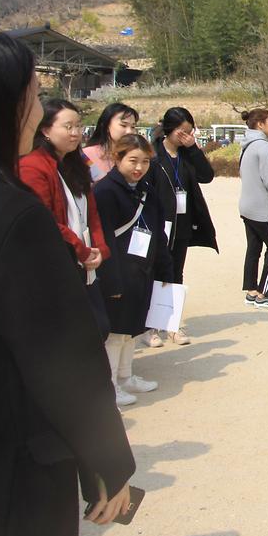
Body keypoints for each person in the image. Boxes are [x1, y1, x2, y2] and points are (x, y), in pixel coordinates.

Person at [0, 9, 134, 536]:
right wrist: (106, 461)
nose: (38, 113)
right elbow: (62, 357)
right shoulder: (8, 215)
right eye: (33, 97)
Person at [18, 99, 112, 338]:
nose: (75, 133)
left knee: (97, 328)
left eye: (78, 126)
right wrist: (81, 249)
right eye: (68, 127)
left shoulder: (76, 163)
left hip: (84, 261)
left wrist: (100, 248)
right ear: (46, 130)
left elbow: (91, 213)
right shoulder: (32, 166)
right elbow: (44, 219)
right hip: (59, 262)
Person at [94, 134, 172, 406]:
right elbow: (103, 237)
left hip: (142, 268)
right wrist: (111, 279)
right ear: (117, 159)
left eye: (145, 162)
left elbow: (158, 231)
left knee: (132, 329)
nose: (139, 167)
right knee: (116, 332)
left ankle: (126, 376)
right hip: (118, 270)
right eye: (133, 161)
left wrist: (165, 268)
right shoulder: (105, 191)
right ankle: (110, 384)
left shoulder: (146, 190)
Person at [149, 106, 218, 346]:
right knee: (155, 273)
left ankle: (172, 324)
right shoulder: (153, 155)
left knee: (176, 273)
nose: (187, 136)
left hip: (182, 224)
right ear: (169, 129)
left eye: (190, 131)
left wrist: (193, 149)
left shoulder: (188, 154)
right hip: (160, 224)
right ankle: (150, 327)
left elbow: (207, 176)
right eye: (182, 131)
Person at [238, 108, 268, 309]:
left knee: (254, 248)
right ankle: (263, 293)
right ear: (260, 124)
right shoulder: (263, 146)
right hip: (262, 208)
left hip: (247, 206)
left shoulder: (246, 145)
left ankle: (251, 291)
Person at [83, 102, 139, 183]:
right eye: (123, 125)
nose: (129, 131)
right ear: (106, 126)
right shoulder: (87, 155)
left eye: (133, 127)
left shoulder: (135, 156)